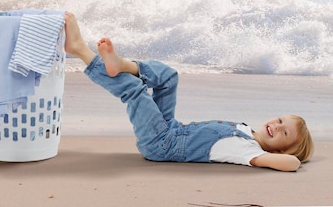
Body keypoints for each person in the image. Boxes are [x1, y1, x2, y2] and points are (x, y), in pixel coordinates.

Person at [63, 13, 313, 172]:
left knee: (136, 92)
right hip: (172, 128)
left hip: (161, 145)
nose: (277, 127)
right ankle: (123, 65)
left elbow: (291, 164)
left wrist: (293, 157)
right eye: (281, 121)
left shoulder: (252, 152)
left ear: (281, 150)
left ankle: (80, 50)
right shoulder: (247, 129)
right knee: (169, 77)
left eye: (284, 133)